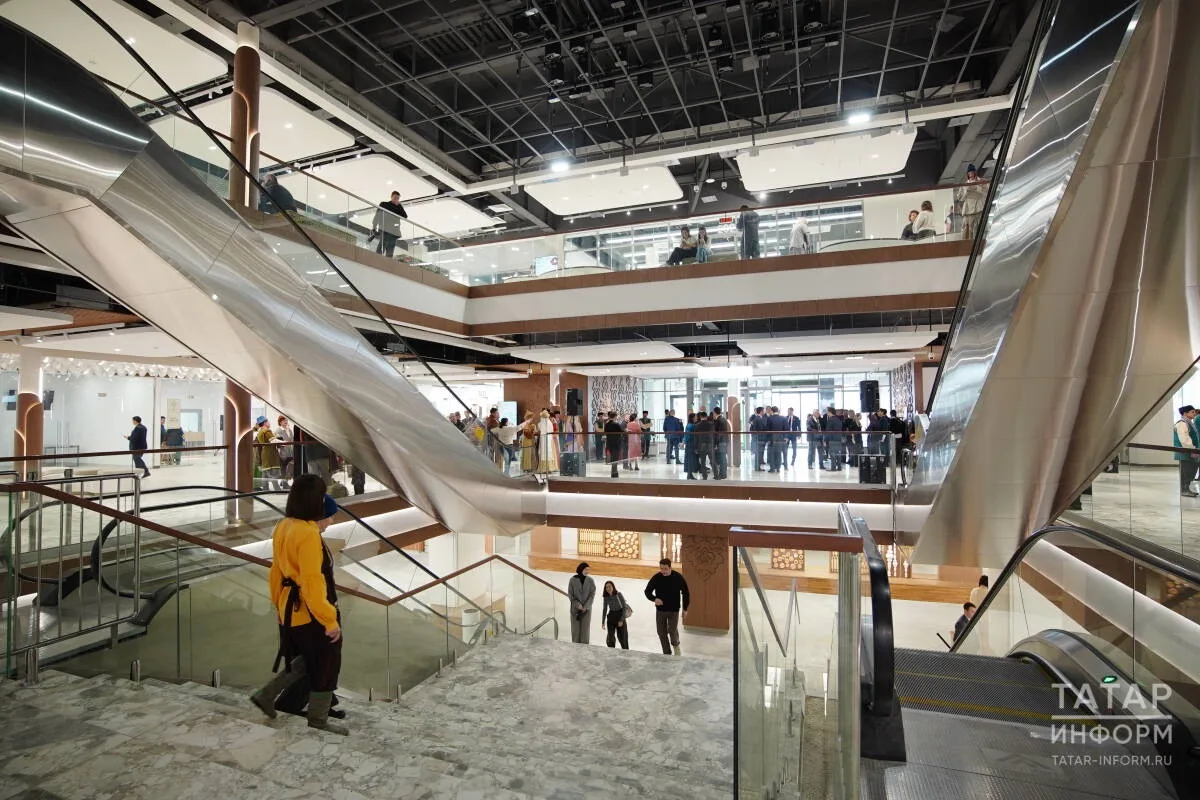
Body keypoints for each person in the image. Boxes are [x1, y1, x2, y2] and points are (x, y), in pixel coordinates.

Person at [250, 475, 347, 735]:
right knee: (326, 663)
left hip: (290, 609)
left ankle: (267, 695)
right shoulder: (307, 533)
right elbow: (312, 582)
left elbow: (276, 572)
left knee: (306, 660)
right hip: (311, 612)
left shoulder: (284, 525)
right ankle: (318, 720)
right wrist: (329, 619)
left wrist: (278, 606)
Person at [645, 558, 690, 656]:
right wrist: (654, 599)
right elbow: (647, 591)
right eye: (661, 568)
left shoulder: (678, 577)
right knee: (661, 632)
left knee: (672, 630)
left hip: (674, 610)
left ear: (670, 568)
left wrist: (685, 609)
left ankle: (676, 646)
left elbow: (686, 593)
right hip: (661, 610)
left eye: (665, 569)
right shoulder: (657, 577)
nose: (663, 571)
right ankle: (666, 653)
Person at [955, 163, 989, 241]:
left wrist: (976, 188)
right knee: (969, 229)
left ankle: (981, 241)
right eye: (969, 172)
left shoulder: (981, 181)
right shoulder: (965, 184)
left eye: (972, 172)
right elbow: (960, 198)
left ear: (975, 172)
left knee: (979, 227)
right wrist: (967, 192)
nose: (971, 173)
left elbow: (986, 192)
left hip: (979, 207)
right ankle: (969, 244)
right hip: (969, 209)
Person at [371, 190, 408, 258]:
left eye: (398, 198)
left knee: (390, 249)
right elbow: (377, 215)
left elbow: (405, 216)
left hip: (394, 231)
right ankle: (377, 259)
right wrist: (374, 227)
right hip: (385, 228)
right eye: (395, 197)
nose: (396, 199)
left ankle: (388, 262)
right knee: (382, 245)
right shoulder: (384, 204)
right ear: (391, 197)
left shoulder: (398, 207)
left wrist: (399, 205)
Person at [1174, 405, 1200, 497]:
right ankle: (1184, 490)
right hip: (1186, 452)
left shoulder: (1189, 422)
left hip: (1191, 452)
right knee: (1186, 472)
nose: (1194, 413)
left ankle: (1186, 489)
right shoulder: (1182, 423)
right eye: (1192, 412)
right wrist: (1192, 449)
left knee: (1191, 470)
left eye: (1194, 412)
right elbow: (1184, 440)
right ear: (1185, 413)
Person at [568, 562, 596, 644]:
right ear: (581, 569)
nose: (587, 571)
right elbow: (570, 594)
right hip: (575, 610)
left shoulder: (590, 580)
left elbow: (592, 594)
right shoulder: (572, 580)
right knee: (575, 630)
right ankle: (575, 647)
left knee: (585, 631)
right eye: (586, 569)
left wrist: (586, 606)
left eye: (588, 570)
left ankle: (585, 648)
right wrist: (578, 605)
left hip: (586, 610)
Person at [600, 580, 631, 650]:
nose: (608, 588)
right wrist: (603, 622)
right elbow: (605, 609)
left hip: (620, 616)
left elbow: (624, 607)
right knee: (610, 638)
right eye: (606, 587)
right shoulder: (606, 597)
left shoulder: (618, 594)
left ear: (613, 587)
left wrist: (621, 620)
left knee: (623, 638)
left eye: (609, 586)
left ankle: (626, 652)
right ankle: (611, 651)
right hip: (611, 617)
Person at [255, 416, 282, 488]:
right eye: (268, 421)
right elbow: (273, 441)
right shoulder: (267, 431)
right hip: (271, 455)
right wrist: (285, 442)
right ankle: (278, 490)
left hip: (264, 455)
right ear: (264, 423)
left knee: (265, 475)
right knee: (274, 475)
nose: (269, 423)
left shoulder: (260, 432)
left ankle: (265, 490)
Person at [765, 406, 788, 473]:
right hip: (781, 439)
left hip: (772, 438)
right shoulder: (783, 418)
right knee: (778, 453)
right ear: (777, 411)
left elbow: (767, 430)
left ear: (772, 411)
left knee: (772, 453)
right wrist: (785, 437)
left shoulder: (770, 418)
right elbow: (786, 429)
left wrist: (768, 439)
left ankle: (772, 468)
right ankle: (778, 468)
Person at [692, 411, 715, 479]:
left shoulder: (697, 425)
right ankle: (716, 475)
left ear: (700, 417)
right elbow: (714, 435)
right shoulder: (711, 424)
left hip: (701, 445)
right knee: (713, 461)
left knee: (703, 462)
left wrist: (695, 447)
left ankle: (705, 476)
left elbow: (696, 437)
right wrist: (714, 444)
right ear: (706, 416)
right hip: (710, 444)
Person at [712, 407, 731, 480]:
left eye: (713, 413)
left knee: (722, 458)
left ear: (715, 412)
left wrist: (716, 444)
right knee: (723, 458)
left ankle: (722, 474)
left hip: (721, 442)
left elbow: (718, 434)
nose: (713, 414)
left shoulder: (718, 420)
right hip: (724, 441)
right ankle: (723, 474)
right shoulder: (723, 419)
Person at [604, 411, 624, 478]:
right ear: (615, 416)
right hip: (616, 443)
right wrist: (626, 431)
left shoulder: (606, 424)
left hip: (609, 443)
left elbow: (605, 432)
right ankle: (614, 473)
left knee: (613, 458)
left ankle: (614, 472)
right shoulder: (616, 424)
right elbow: (622, 431)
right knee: (615, 459)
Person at [275, 416, 294, 484]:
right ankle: (284, 483)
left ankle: (285, 481)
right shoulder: (278, 430)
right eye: (284, 420)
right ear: (280, 422)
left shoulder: (289, 430)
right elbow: (279, 442)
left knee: (290, 467)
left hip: (290, 451)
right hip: (283, 452)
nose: (286, 421)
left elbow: (292, 440)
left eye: (286, 420)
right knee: (283, 467)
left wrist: (288, 430)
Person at [683, 412, 698, 479]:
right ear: (692, 418)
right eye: (695, 417)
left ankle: (689, 474)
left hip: (690, 444)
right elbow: (688, 436)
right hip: (691, 444)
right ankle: (689, 474)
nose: (696, 418)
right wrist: (684, 442)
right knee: (690, 459)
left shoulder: (689, 425)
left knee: (690, 459)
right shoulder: (691, 426)